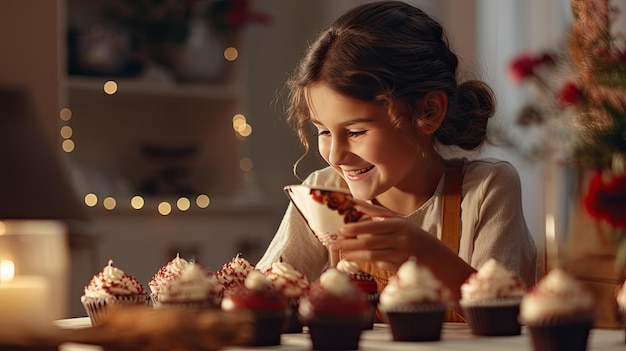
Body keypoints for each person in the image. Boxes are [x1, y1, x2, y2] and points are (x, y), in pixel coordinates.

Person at [256, 0, 537, 318]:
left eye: (357, 132)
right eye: (323, 131)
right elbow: (260, 295)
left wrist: (423, 252)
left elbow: (501, 317)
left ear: (428, 112)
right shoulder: (325, 192)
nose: (335, 155)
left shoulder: (487, 189)